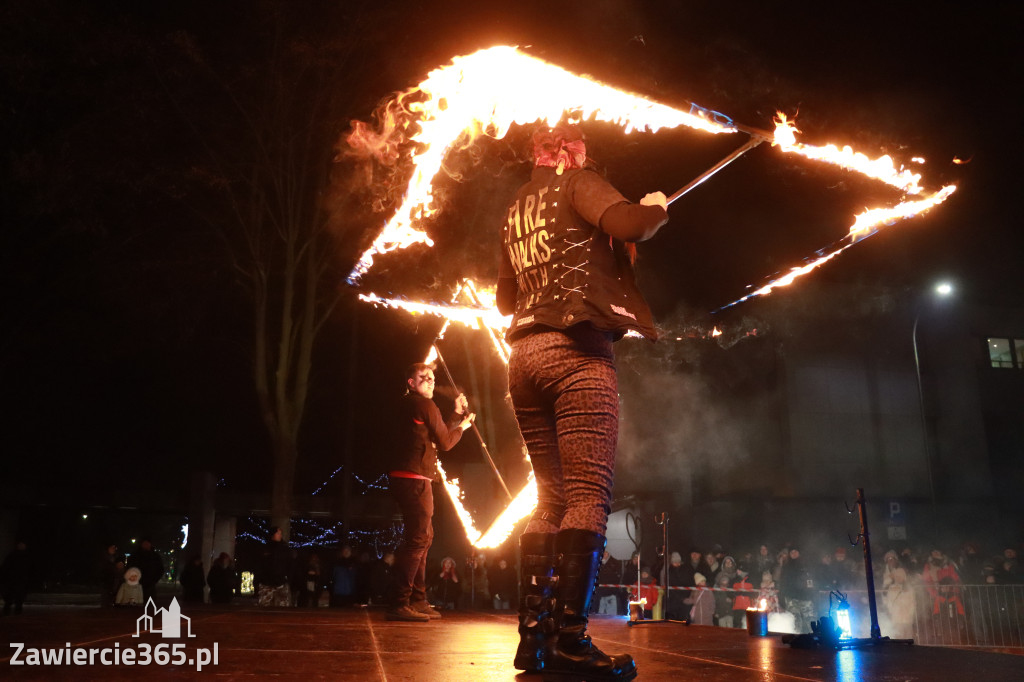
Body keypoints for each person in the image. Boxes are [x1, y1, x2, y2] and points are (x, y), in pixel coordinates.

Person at [498, 124, 668, 680]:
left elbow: (505, 296)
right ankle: (571, 639)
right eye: (582, 148)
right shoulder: (578, 182)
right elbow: (631, 223)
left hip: (523, 357)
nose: (588, 154)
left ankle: (534, 639)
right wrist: (654, 207)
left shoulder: (515, 207)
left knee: (549, 499)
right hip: (576, 353)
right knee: (587, 497)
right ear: (566, 151)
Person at [387, 362, 474, 622]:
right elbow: (446, 442)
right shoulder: (423, 404)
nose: (430, 380)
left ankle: (418, 599)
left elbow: (437, 435)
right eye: (423, 377)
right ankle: (400, 602)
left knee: (424, 536)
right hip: (414, 479)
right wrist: (463, 427)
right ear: (411, 383)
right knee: (418, 538)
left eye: (432, 377)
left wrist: (456, 416)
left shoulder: (413, 405)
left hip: (408, 477)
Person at [257, 527, 292, 607]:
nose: (280, 535)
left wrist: (288, 577)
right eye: (278, 533)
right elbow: (260, 564)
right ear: (272, 535)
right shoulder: (265, 548)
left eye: (280, 533)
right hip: (267, 582)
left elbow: (289, 564)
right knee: (265, 605)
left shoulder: (284, 549)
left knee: (282, 606)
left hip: (281, 582)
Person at [127, 539, 164, 605]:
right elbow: (129, 568)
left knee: (149, 605)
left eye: (147, 543)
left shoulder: (155, 556)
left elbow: (160, 569)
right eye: (144, 543)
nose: (146, 545)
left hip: (150, 584)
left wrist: (154, 579)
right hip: (137, 584)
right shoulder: (135, 556)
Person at [1, 541, 31, 616]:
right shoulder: (12, 556)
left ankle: (17, 611)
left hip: (21, 580)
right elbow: (6, 567)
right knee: (10, 597)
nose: (21, 546)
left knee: (19, 597)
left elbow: (30, 569)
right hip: (13, 579)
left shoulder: (26, 557)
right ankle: (7, 611)